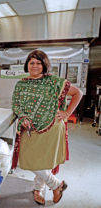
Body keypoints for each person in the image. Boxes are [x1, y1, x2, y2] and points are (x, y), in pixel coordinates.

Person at [11, 50, 83, 205]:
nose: (35, 66)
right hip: (29, 129)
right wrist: (22, 116)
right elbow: (15, 104)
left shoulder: (54, 82)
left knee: (43, 160)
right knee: (28, 159)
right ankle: (56, 185)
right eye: (32, 63)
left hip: (52, 127)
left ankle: (38, 189)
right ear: (27, 65)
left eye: (39, 63)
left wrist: (67, 113)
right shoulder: (21, 84)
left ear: (44, 65)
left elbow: (78, 93)